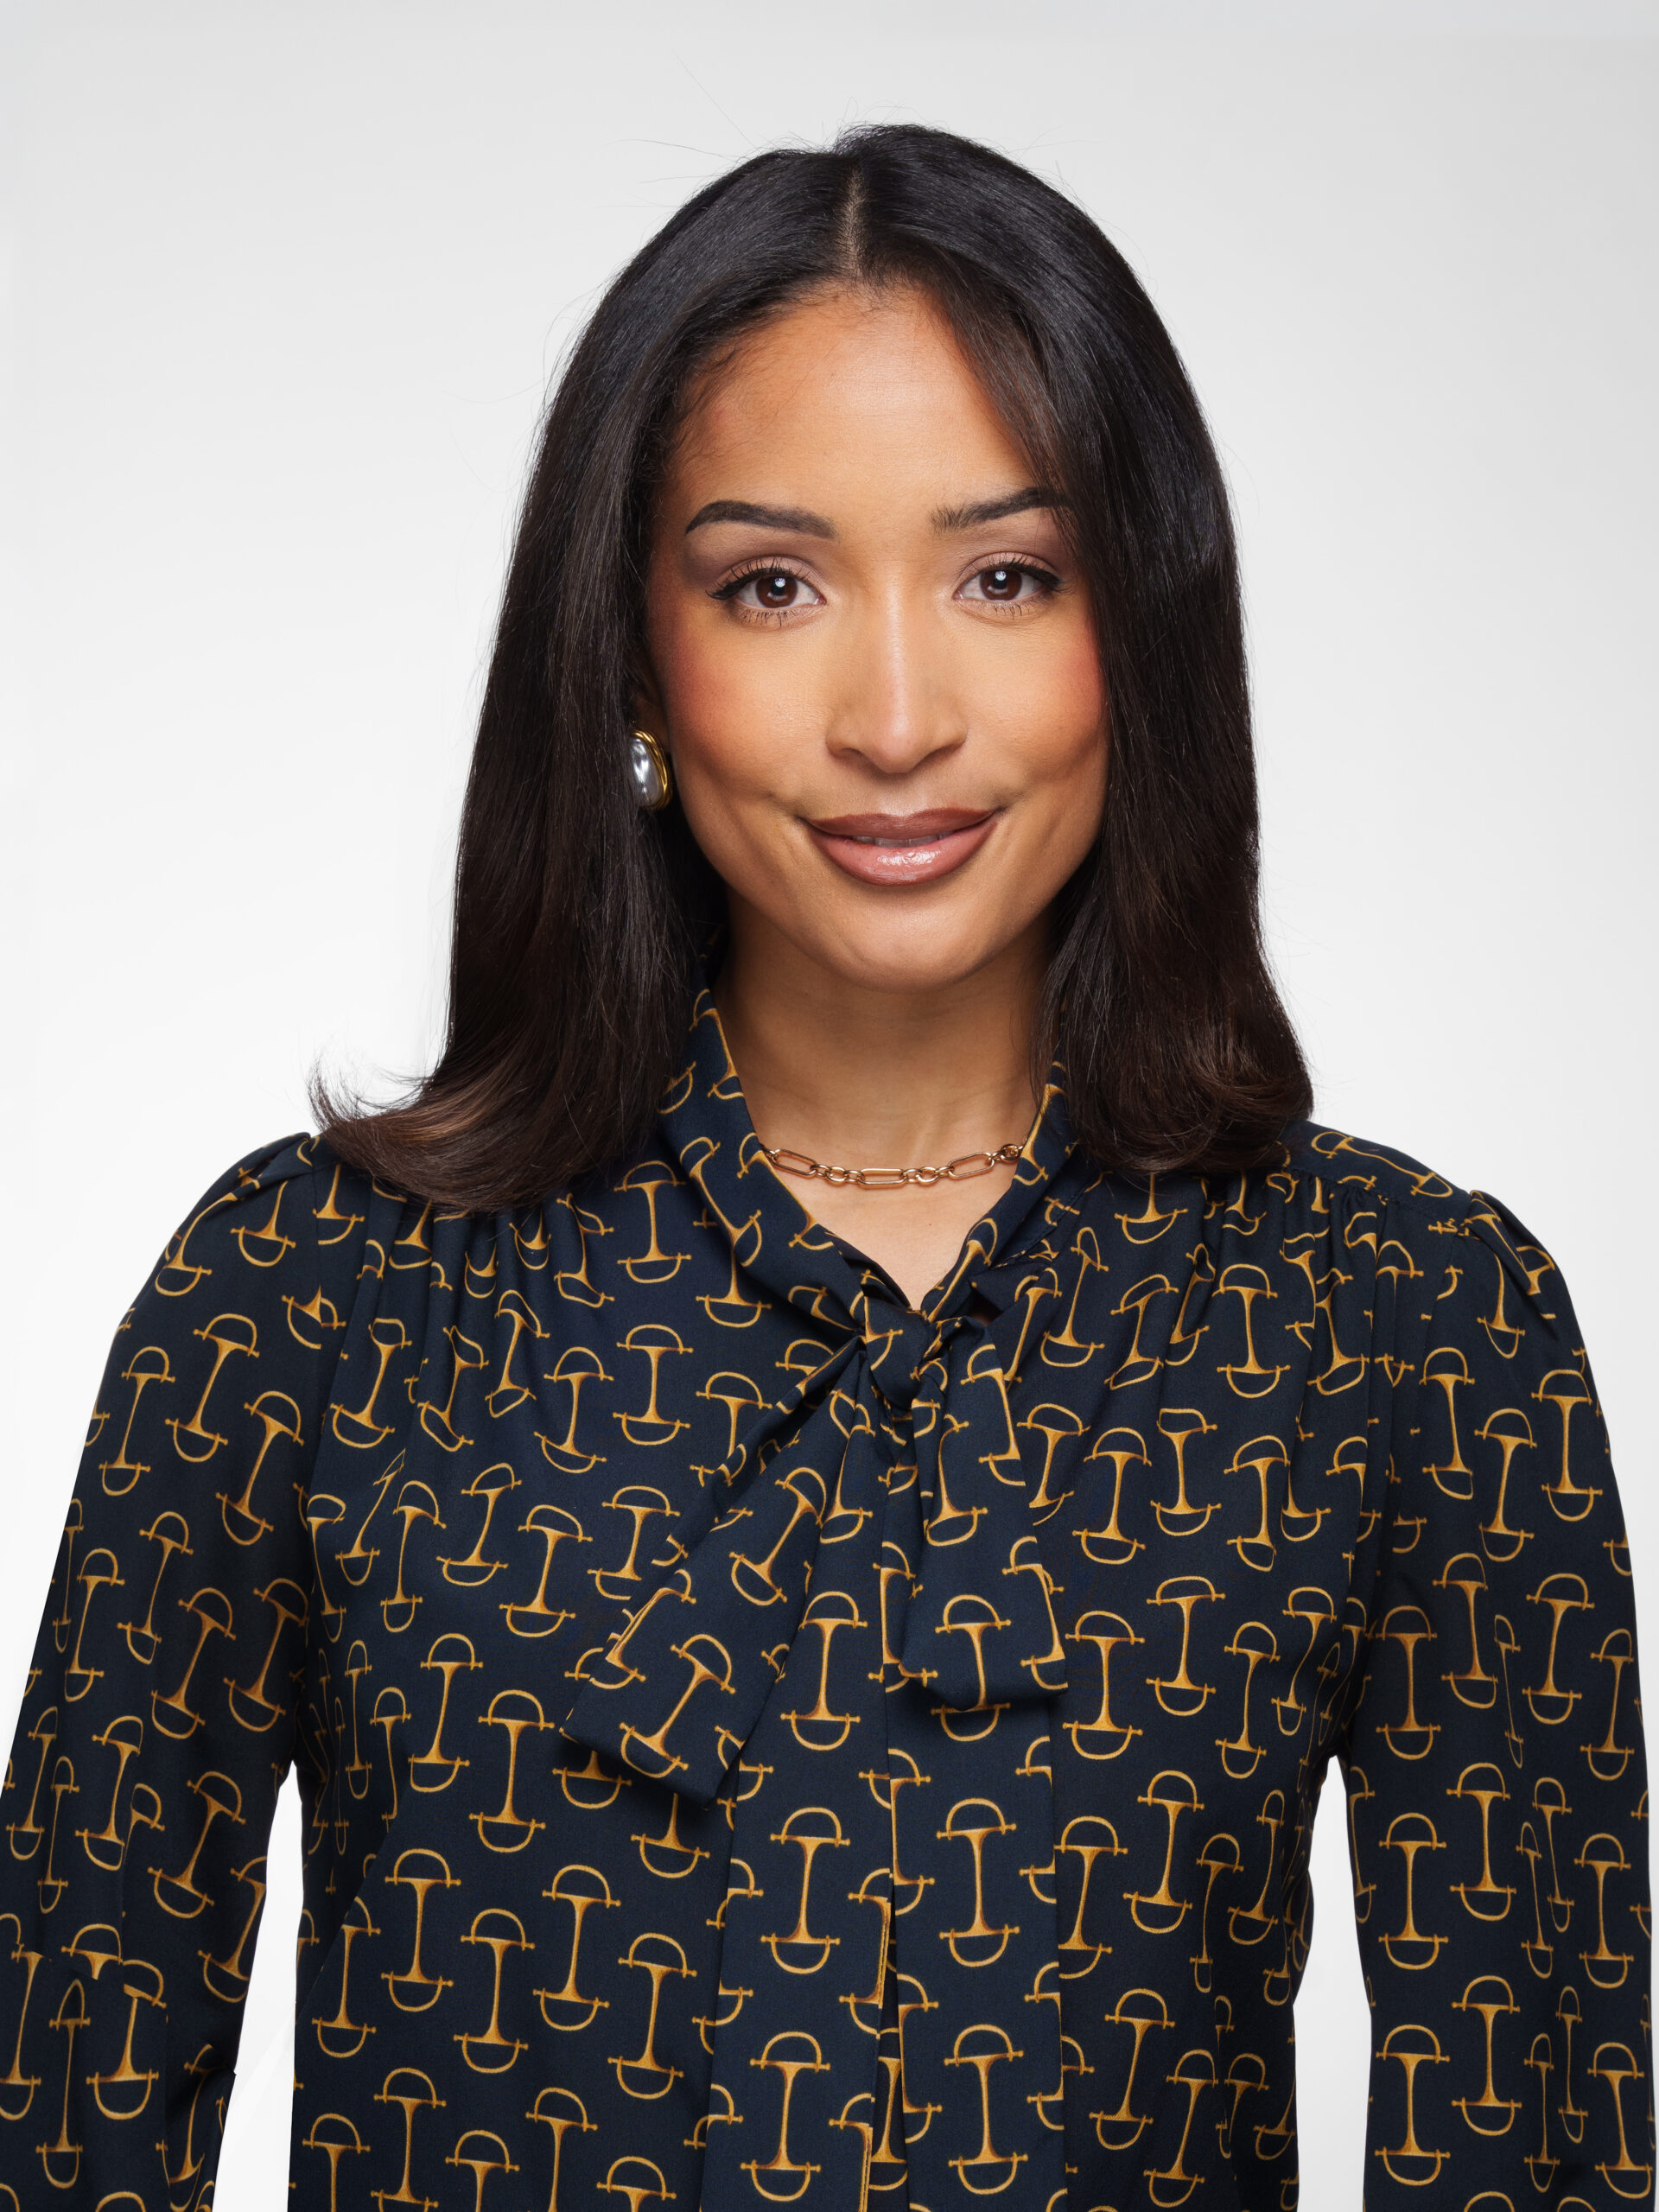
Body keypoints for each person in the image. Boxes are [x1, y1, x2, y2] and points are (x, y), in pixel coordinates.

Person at [0, 122, 1647, 2212]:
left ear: (1136, 627)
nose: (894, 714)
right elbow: (57, 2121)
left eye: (1005, 576)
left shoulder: (1412, 1330)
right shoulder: (300, 1307)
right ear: (632, 660)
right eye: (772, 584)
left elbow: (1541, 2148)